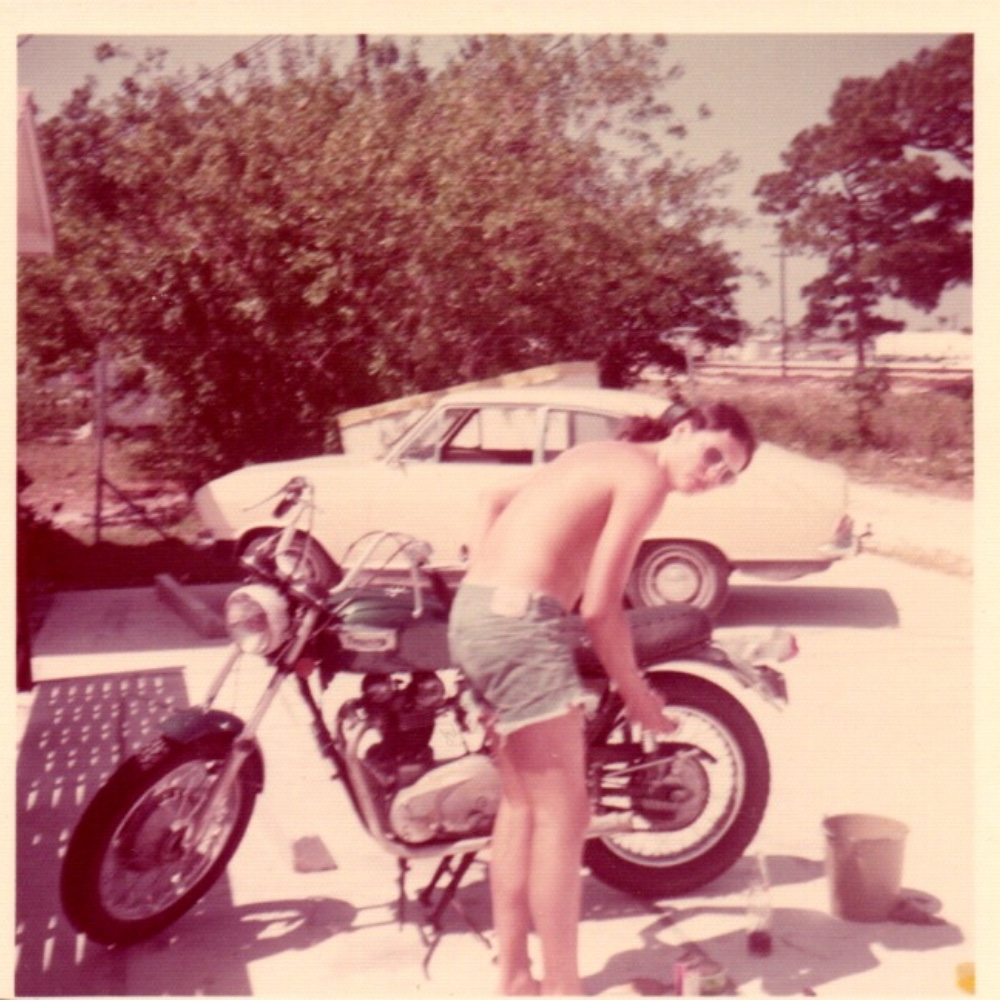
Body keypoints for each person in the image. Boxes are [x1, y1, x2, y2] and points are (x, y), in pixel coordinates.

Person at [447, 400, 756, 995]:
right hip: (519, 625)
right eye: (713, 455)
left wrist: (487, 590)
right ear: (682, 430)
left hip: (476, 616)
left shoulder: (597, 455)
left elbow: (492, 498)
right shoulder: (644, 478)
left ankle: (515, 978)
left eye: (728, 475)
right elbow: (599, 609)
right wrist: (635, 693)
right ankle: (563, 989)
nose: (714, 474)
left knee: (521, 807)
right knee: (565, 819)